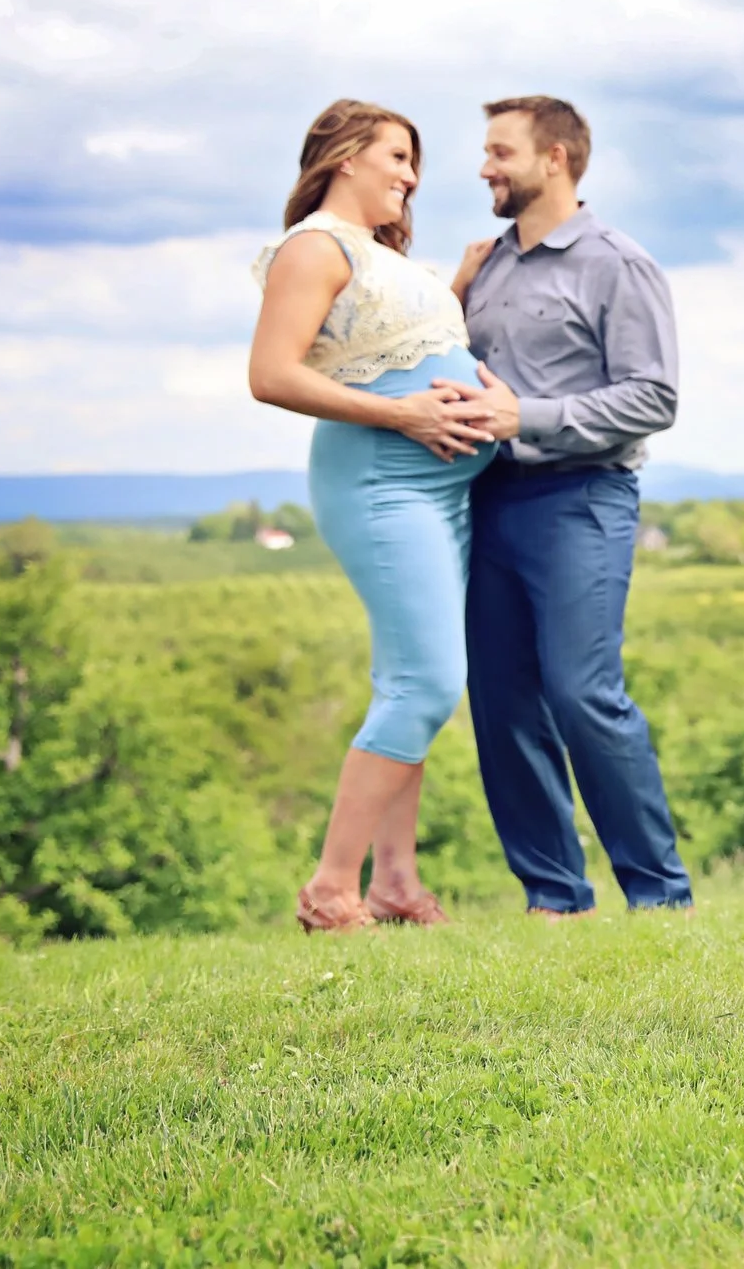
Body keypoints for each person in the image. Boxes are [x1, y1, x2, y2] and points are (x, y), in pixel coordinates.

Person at [436, 96, 695, 917]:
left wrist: (530, 418)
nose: (485, 167)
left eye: (499, 151)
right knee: (503, 701)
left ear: (555, 158)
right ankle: (554, 897)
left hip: (583, 496)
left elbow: (654, 397)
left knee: (584, 693)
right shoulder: (488, 265)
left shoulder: (617, 263)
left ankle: (660, 897)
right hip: (489, 502)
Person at [248, 99, 497, 933]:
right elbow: (271, 374)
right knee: (426, 682)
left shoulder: (382, 257)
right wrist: (406, 416)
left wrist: (453, 286)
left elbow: (399, 346)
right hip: (381, 479)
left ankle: (394, 881)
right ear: (345, 155)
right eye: (396, 156)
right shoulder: (314, 246)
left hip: (439, 487)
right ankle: (330, 888)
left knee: (408, 684)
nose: (410, 175)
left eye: (413, 162)